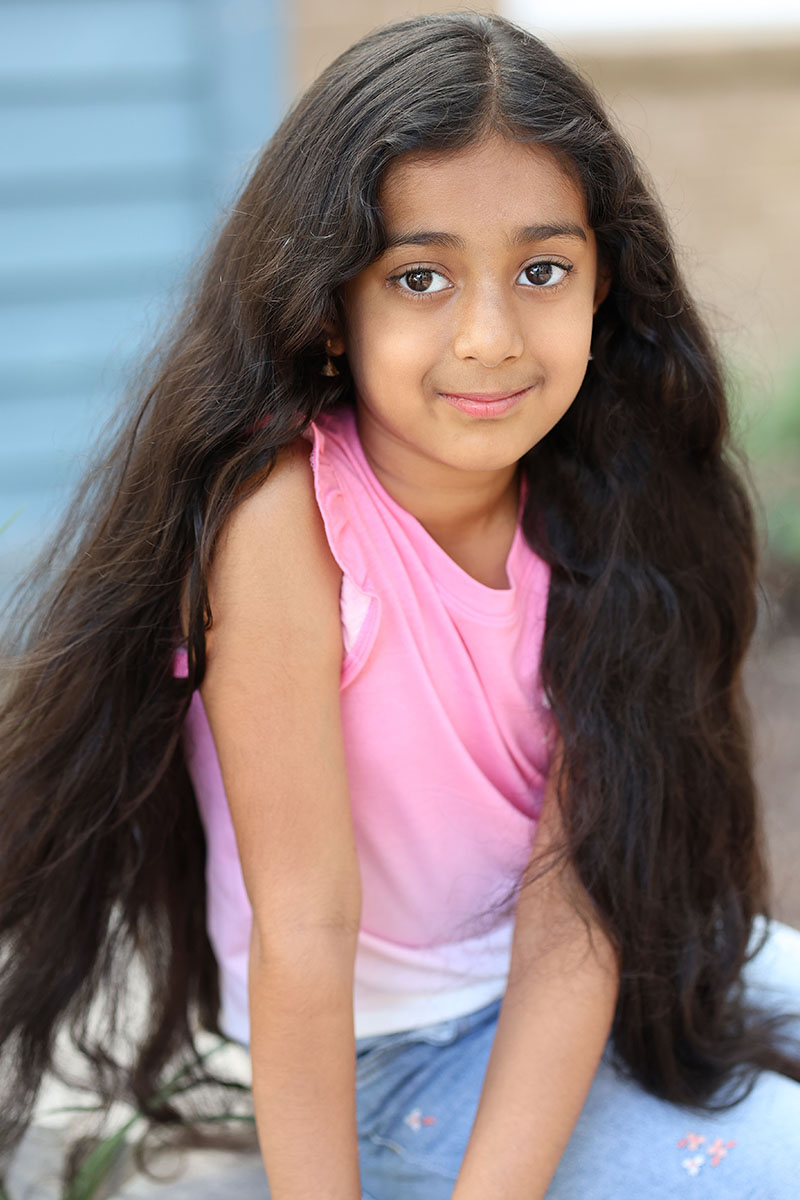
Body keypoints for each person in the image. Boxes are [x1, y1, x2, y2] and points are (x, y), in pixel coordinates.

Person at [1, 9, 799, 1198]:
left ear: (602, 285)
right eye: (419, 278)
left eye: (540, 271)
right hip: (389, 1052)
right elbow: (305, 930)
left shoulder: (616, 505)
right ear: (331, 312)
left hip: (627, 967)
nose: (488, 337)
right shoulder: (283, 523)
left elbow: (578, 917)